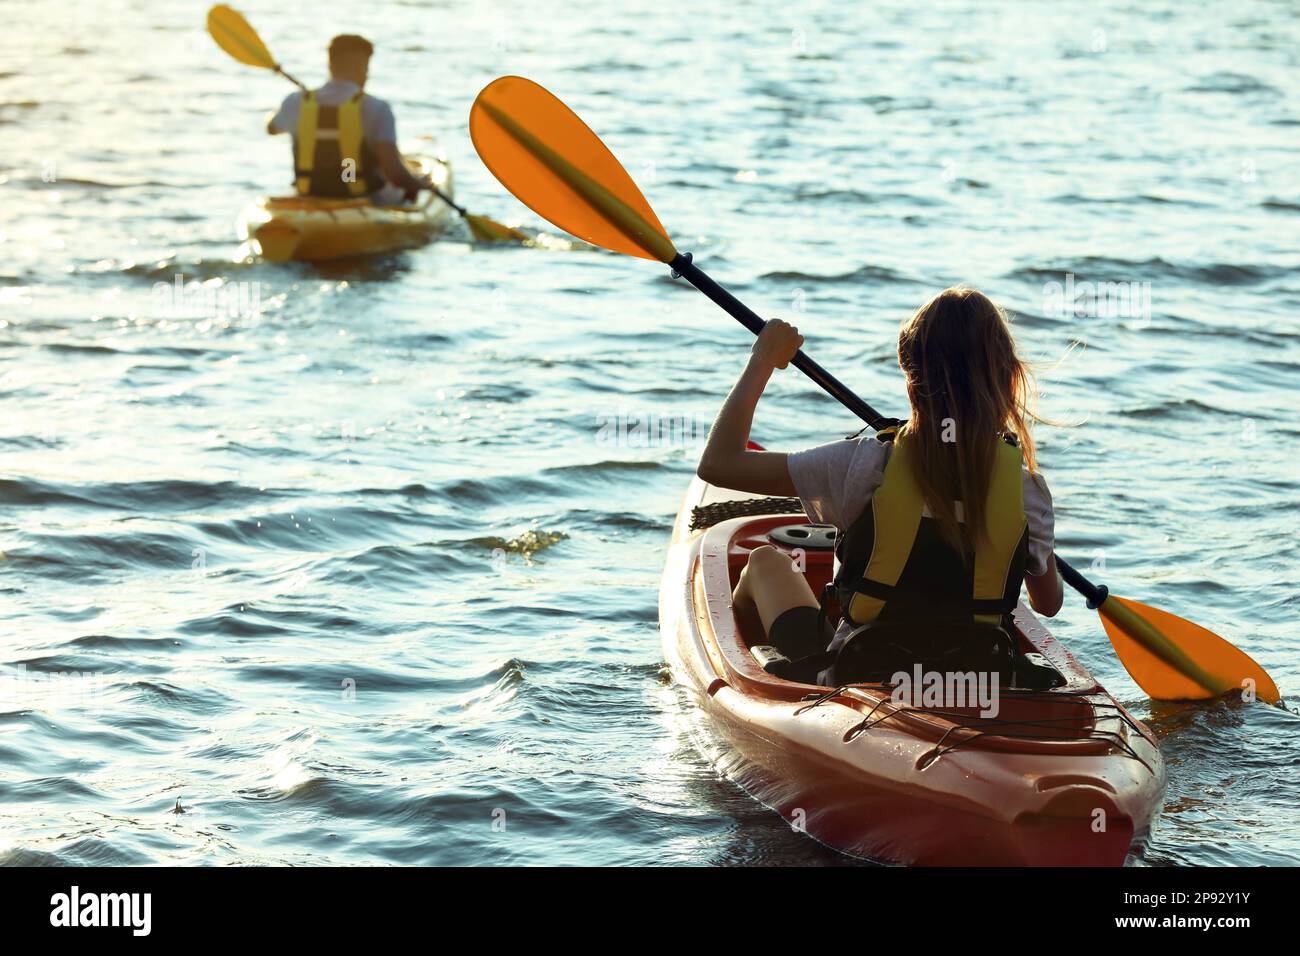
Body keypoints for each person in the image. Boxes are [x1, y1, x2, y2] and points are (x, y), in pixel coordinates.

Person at [697, 286, 1064, 684]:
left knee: (764, 563)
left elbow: (719, 464)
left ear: (910, 376)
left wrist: (763, 359)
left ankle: (757, 676)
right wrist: (1035, 549)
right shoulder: (1028, 491)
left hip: (862, 674)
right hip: (980, 679)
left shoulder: (861, 464)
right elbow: (1048, 603)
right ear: (1009, 378)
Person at [267, 34, 430, 204]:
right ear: (363, 67)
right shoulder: (376, 107)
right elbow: (394, 174)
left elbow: (271, 128)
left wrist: (281, 110)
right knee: (410, 188)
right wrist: (422, 185)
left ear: (330, 64)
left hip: (310, 196)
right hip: (364, 200)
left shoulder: (295, 102)